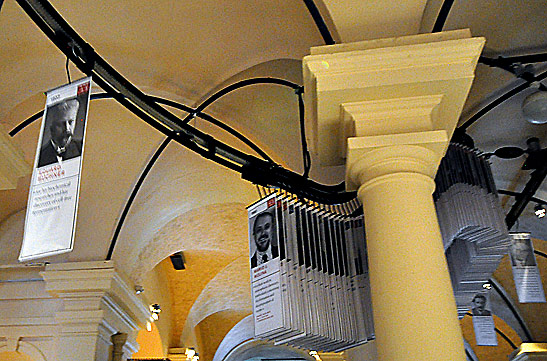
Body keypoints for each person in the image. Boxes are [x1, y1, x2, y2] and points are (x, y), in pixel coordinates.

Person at [38, 98, 82, 167]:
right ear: (51, 126)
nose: (67, 129)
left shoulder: (82, 148)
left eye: (70, 122)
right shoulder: (40, 157)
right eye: (61, 124)